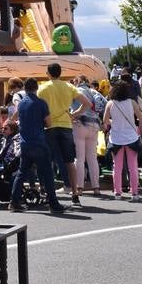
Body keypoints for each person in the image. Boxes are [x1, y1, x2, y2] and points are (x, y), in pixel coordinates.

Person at [9, 78, 66, 214]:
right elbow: (49, 123)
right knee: (47, 173)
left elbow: (14, 118)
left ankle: (14, 202)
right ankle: (53, 203)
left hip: (25, 143)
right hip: (39, 142)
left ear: (25, 88)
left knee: (22, 173)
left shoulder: (21, 104)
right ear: (36, 88)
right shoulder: (41, 103)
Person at [37, 62, 88, 206]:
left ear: (48, 73)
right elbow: (87, 103)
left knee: (48, 161)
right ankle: (74, 193)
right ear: (61, 73)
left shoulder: (43, 88)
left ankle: (47, 192)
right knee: (69, 161)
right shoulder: (69, 86)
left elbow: (39, 107)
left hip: (49, 126)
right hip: (66, 125)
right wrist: (75, 114)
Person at [103, 79, 142, 200]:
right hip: (131, 137)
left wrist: (113, 122)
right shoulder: (132, 103)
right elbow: (141, 118)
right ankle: (135, 192)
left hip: (116, 138)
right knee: (133, 166)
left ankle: (118, 192)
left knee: (117, 166)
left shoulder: (110, 104)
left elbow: (105, 122)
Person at [72, 76, 105, 195]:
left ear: (79, 81)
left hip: (80, 123)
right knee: (92, 157)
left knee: (79, 158)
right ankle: (96, 187)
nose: (73, 83)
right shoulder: (94, 91)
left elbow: (81, 104)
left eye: (74, 81)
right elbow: (104, 104)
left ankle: (79, 187)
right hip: (94, 125)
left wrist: (73, 114)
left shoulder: (77, 91)